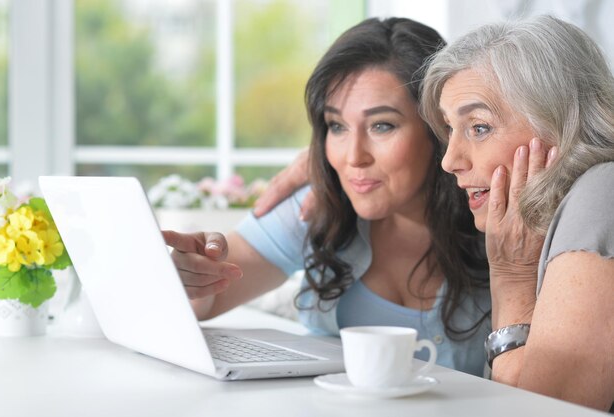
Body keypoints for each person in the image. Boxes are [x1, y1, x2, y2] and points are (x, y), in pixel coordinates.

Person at [163, 17, 493, 377]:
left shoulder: (495, 214)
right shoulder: (316, 205)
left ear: (438, 127)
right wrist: (197, 272)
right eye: (337, 126)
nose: (353, 157)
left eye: (382, 125)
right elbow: (207, 301)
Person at [418, 15, 614, 411]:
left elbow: (542, 411)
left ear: (558, 122)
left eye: (478, 127)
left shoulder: (602, 191)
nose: (450, 160)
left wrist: (512, 283)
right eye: (449, 130)